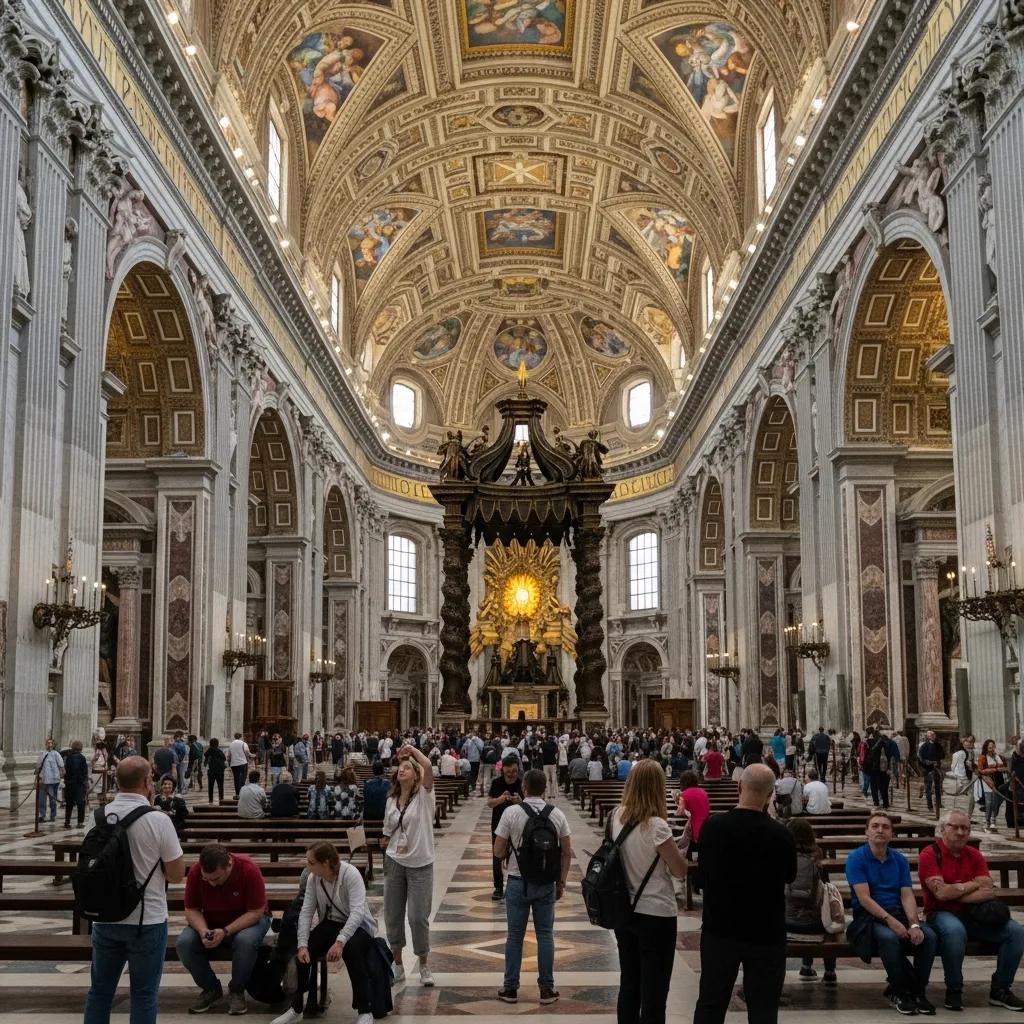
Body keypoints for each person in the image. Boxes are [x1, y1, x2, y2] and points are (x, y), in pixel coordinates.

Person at [82, 757, 186, 1024]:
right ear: (147, 782)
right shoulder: (159, 820)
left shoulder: (96, 818)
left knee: (100, 992)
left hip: (105, 918)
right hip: (146, 920)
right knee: (143, 994)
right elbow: (176, 875)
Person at [693, 764, 797, 1024]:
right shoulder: (782, 834)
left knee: (711, 1004)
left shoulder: (713, 826)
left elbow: (701, 878)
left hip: (720, 929)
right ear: (771, 793)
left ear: (738, 786)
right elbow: (790, 876)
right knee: (763, 1008)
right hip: (767, 933)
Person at [918, 808, 1024, 1011]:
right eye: (955, 827)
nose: (960, 832)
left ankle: (1000, 989)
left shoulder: (974, 854)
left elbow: (988, 890)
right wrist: (971, 884)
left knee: (1016, 931)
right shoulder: (930, 854)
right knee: (955, 931)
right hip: (940, 913)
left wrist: (956, 889)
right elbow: (940, 894)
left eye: (965, 828)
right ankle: (954, 990)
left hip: (976, 914)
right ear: (942, 829)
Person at [610, 759, 688, 1024]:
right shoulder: (657, 826)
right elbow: (679, 870)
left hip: (624, 911)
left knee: (629, 983)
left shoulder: (615, 817)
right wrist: (681, 853)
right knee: (654, 991)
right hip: (655, 914)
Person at [270, 841, 378, 1024]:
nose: (307, 866)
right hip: (331, 922)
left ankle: (365, 1011)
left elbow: (358, 912)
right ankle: (297, 1009)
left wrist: (340, 942)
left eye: (311, 862)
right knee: (303, 955)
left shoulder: (350, 874)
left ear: (326, 863)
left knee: (353, 951)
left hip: (358, 926)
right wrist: (303, 944)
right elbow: (306, 911)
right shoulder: (314, 878)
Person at [844, 810, 938, 1014]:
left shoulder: (899, 860)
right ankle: (900, 992)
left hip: (897, 911)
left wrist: (913, 924)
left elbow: (906, 895)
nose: (880, 830)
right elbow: (864, 898)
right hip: (869, 917)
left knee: (928, 936)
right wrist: (891, 922)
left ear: (892, 834)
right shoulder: (856, 858)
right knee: (889, 938)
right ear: (867, 832)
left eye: (885, 827)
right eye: (875, 826)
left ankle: (918, 992)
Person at [492, 768, 572, 1004]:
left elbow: (497, 851)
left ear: (524, 788)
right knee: (545, 935)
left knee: (514, 936)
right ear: (545, 789)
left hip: (517, 881)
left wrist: (510, 852)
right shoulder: (557, 814)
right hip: (546, 883)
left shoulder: (511, 812)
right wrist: (562, 881)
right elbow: (567, 852)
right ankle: (547, 989)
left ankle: (510, 988)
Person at [176, 843, 272, 1014]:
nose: (212, 884)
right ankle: (211, 989)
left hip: (250, 920)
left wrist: (226, 931)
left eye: (217, 878)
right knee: (184, 943)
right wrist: (202, 930)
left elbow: (256, 912)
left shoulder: (248, 869)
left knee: (245, 941)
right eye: (207, 879)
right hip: (212, 921)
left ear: (229, 864)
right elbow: (192, 910)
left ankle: (236, 990)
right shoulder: (196, 872)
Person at [382, 744, 436, 986]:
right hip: (394, 861)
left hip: (420, 863)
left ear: (415, 774)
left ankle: (424, 964)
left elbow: (428, 765)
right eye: (399, 768)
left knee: (417, 917)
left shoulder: (425, 795)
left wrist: (411, 750)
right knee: (393, 915)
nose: (401, 771)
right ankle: (398, 965)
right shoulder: (391, 800)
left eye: (406, 768)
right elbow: (387, 830)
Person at [785, 818, 837, 985]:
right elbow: (825, 888)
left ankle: (806, 967)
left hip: (786, 921)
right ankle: (829, 971)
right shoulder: (817, 855)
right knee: (823, 916)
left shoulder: (783, 856)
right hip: (814, 923)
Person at [488, 755, 524, 901]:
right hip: (498, 825)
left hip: (518, 826)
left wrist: (520, 801)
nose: (511, 775)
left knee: (518, 856)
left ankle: (517, 885)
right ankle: (498, 887)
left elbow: (530, 804)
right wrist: (501, 798)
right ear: (502, 770)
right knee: (497, 856)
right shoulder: (497, 783)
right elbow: (490, 803)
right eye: (508, 771)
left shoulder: (522, 783)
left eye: (514, 771)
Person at [977, 738, 1007, 833]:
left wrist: (998, 767)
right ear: (986, 747)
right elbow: (981, 770)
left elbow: (1003, 767)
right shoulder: (982, 757)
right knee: (989, 802)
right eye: (990, 746)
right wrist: (995, 768)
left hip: (998, 780)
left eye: (993, 746)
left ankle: (993, 820)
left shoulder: (997, 756)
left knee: (996, 802)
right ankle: (987, 822)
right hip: (987, 781)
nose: (991, 747)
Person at [676, 770, 710, 849]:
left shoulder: (684, 794)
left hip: (696, 830)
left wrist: (677, 799)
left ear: (683, 782)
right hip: (707, 827)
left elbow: (679, 813)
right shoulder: (703, 791)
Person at [36, 736, 65, 822]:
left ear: (53, 744)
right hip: (43, 780)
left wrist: (62, 775)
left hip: (53, 780)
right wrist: (37, 777)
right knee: (42, 799)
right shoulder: (42, 754)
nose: (49, 744)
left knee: (53, 799)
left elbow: (61, 766)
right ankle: (42, 815)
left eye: (51, 743)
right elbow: (38, 766)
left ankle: (53, 815)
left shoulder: (56, 754)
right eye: (48, 743)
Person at [64, 738, 90, 828]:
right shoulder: (82, 758)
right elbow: (84, 772)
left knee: (69, 804)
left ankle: (67, 822)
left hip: (70, 784)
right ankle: (80, 822)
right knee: (80, 804)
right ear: (80, 748)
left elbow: (66, 771)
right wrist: (85, 782)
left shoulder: (68, 758)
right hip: (79, 784)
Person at [949, 736, 977, 817]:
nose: (970, 744)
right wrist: (963, 778)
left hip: (969, 777)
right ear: (963, 742)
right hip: (961, 778)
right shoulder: (960, 753)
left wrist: (974, 767)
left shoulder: (971, 752)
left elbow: (971, 764)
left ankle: (968, 816)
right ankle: (956, 816)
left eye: (972, 742)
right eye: (968, 741)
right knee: (958, 797)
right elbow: (957, 767)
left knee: (971, 797)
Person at [918, 730, 944, 814]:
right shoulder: (924, 746)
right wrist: (928, 762)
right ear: (928, 737)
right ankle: (930, 806)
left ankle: (938, 803)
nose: (933, 736)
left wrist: (938, 760)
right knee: (928, 788)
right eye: (931, 735)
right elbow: (921, 758)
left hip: (937, 768)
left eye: (934, 735)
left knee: (938, 787)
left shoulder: (938, 745)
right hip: (927, 769)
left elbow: (942, 754)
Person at [205, 737, 227, 804]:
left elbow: (205, 762)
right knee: (220, 786)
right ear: (217, 744)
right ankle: (221, 799)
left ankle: (210, 800)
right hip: (220, 771)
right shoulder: (220, 751)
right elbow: (224, 759)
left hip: (211, 771)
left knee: (210, 786)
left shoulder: (208, 751)